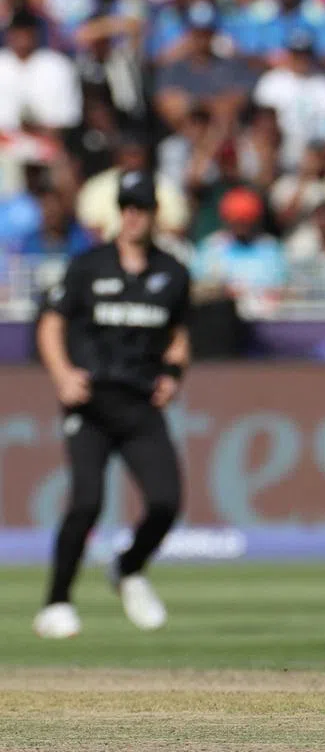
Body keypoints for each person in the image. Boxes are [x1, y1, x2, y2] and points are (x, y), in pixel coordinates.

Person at [33, 171, 193, 640]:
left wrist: (173, 376)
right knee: (86, 502)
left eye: (141, 207)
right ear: (117, 212)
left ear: (153, 215)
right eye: (126, 207)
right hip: (91, 403)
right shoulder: (88, 266)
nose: (132, 216)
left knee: (166, 503)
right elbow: (50, 325)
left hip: (140, 404)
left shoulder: (173, 273)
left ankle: (127, 568)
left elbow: (179, 336)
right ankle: (56, 603)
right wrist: (63, 375)